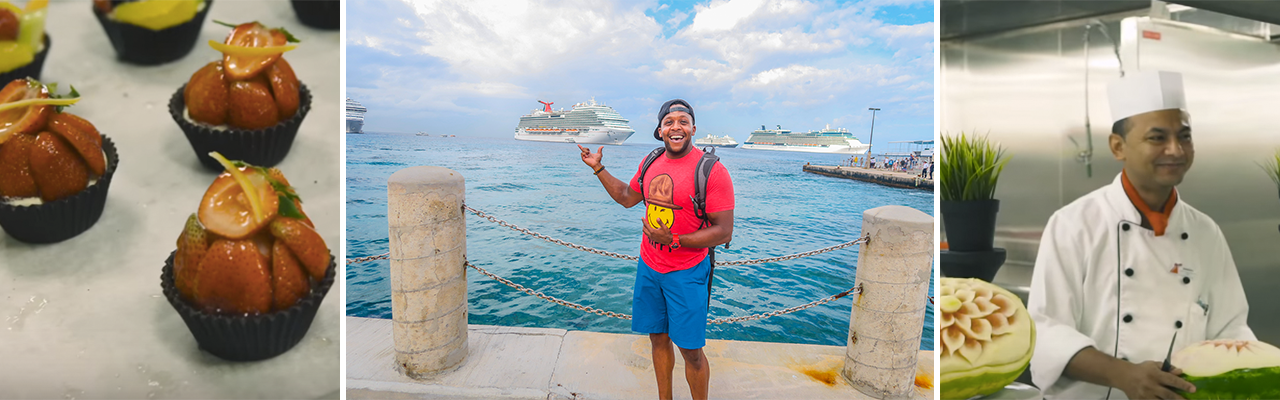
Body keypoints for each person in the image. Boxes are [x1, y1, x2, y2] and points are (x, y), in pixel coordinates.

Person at [1028, 71, 1254, 400]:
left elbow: (1230, 330)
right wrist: (1125, 376)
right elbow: (1044, 332)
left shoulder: (1206, 232)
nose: (1176, 150)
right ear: (1118, 146)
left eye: (1185, 136)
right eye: (1157, 138)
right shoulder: (1074, 224)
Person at [578, 99, 734, 400]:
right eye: (669, 122)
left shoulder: (711, 170)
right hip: (649, 267)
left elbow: (724, 231)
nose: (676, 126)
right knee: (658, 339)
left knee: (692, 352)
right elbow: (626, 197)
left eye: (683, 121)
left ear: (693, 129)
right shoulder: (651, 161)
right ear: (660, 130)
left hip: (686, 272)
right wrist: (598, 168)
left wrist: (675, 240)